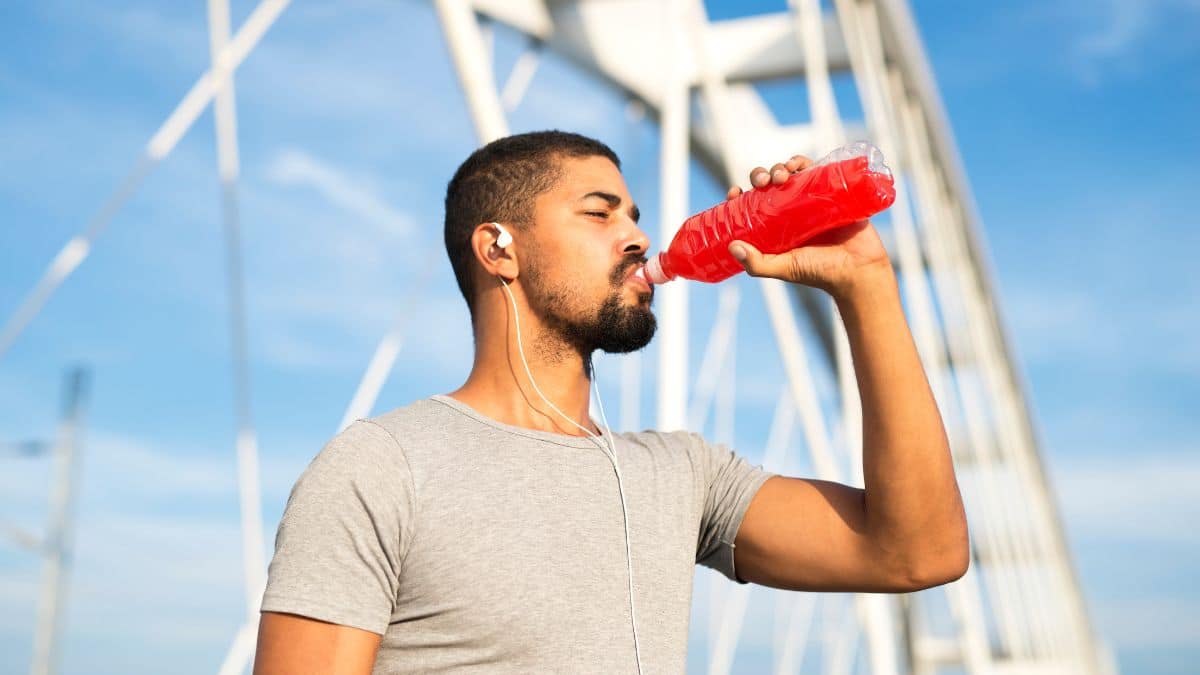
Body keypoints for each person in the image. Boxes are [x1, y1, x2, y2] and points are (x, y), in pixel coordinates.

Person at [252, 130, 968, 674]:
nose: (639, 237)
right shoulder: (382, 466)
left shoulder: (683, 474)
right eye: (600, 214)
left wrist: (866, 282)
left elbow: (919, 553)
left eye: (634, 215)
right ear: (498, 249)